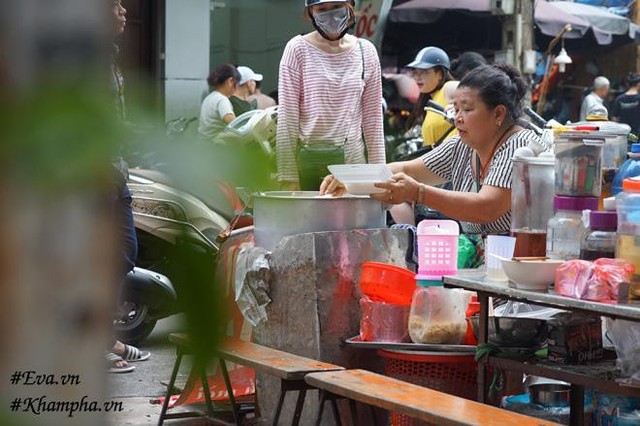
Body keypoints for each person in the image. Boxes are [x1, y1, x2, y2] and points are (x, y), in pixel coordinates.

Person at [321, 64, 540, 252]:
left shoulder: (519, 146)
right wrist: (350, 178)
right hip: (479, 266)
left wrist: (419, 193)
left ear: (498, 114)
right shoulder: (461, 147)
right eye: (456, 109)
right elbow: (407, 169)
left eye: (467, 109)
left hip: (520, 264)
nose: (458, 119)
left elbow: (486, 207)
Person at [275, 0, 385, 191]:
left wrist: (380, 177)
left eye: (336, 7)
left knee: (353, 221)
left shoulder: (365, 51)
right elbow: (287, 118)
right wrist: (288, 177)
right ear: (311, 13)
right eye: (322, 9)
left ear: (349, 8)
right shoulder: (297, 49)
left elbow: (373, 120)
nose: (330, 15)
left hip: (353, 169)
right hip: (308, 166)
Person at [108, 0, 151, 373]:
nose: (123, 11)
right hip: (96, 175)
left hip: (113, 170)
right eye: (114, 5)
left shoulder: (106, 56)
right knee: (117, 251)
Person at [405, 46, 458, 148]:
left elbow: (477, 92)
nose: (418, 77)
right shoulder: (429, 100)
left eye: (424, 72)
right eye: (415, 72)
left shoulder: (449, 87)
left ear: (440, 74)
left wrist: (461, 107)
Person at [197, 64, 240, 139]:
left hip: (203, 142)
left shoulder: (210, 97)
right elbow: (233, 123)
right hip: (214, 145)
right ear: (231, 81)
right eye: (237, 84)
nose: (237, 88)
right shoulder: (222, 99)